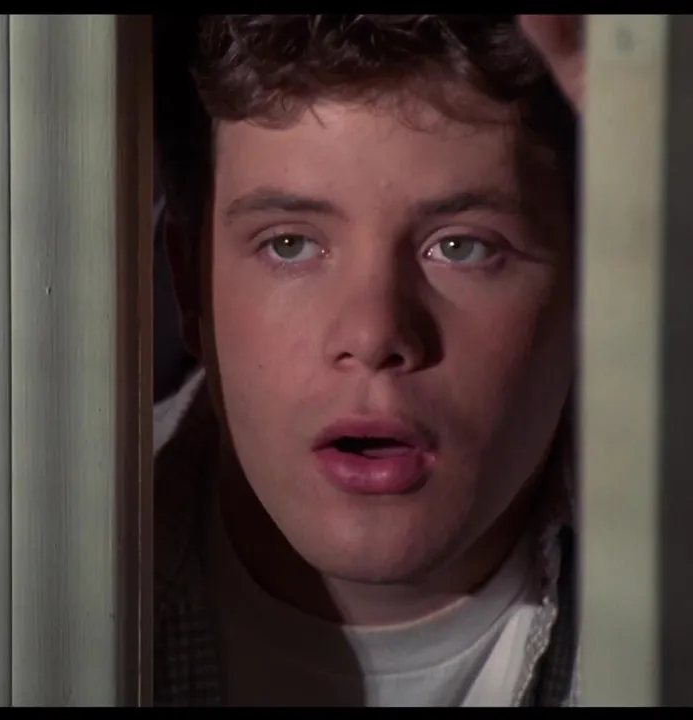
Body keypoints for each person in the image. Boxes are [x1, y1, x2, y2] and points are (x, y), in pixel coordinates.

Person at [152, 14, 587, 707]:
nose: (374, 332)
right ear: (187, 285)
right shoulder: (40, 584)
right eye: (290, 245)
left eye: (462, 247)